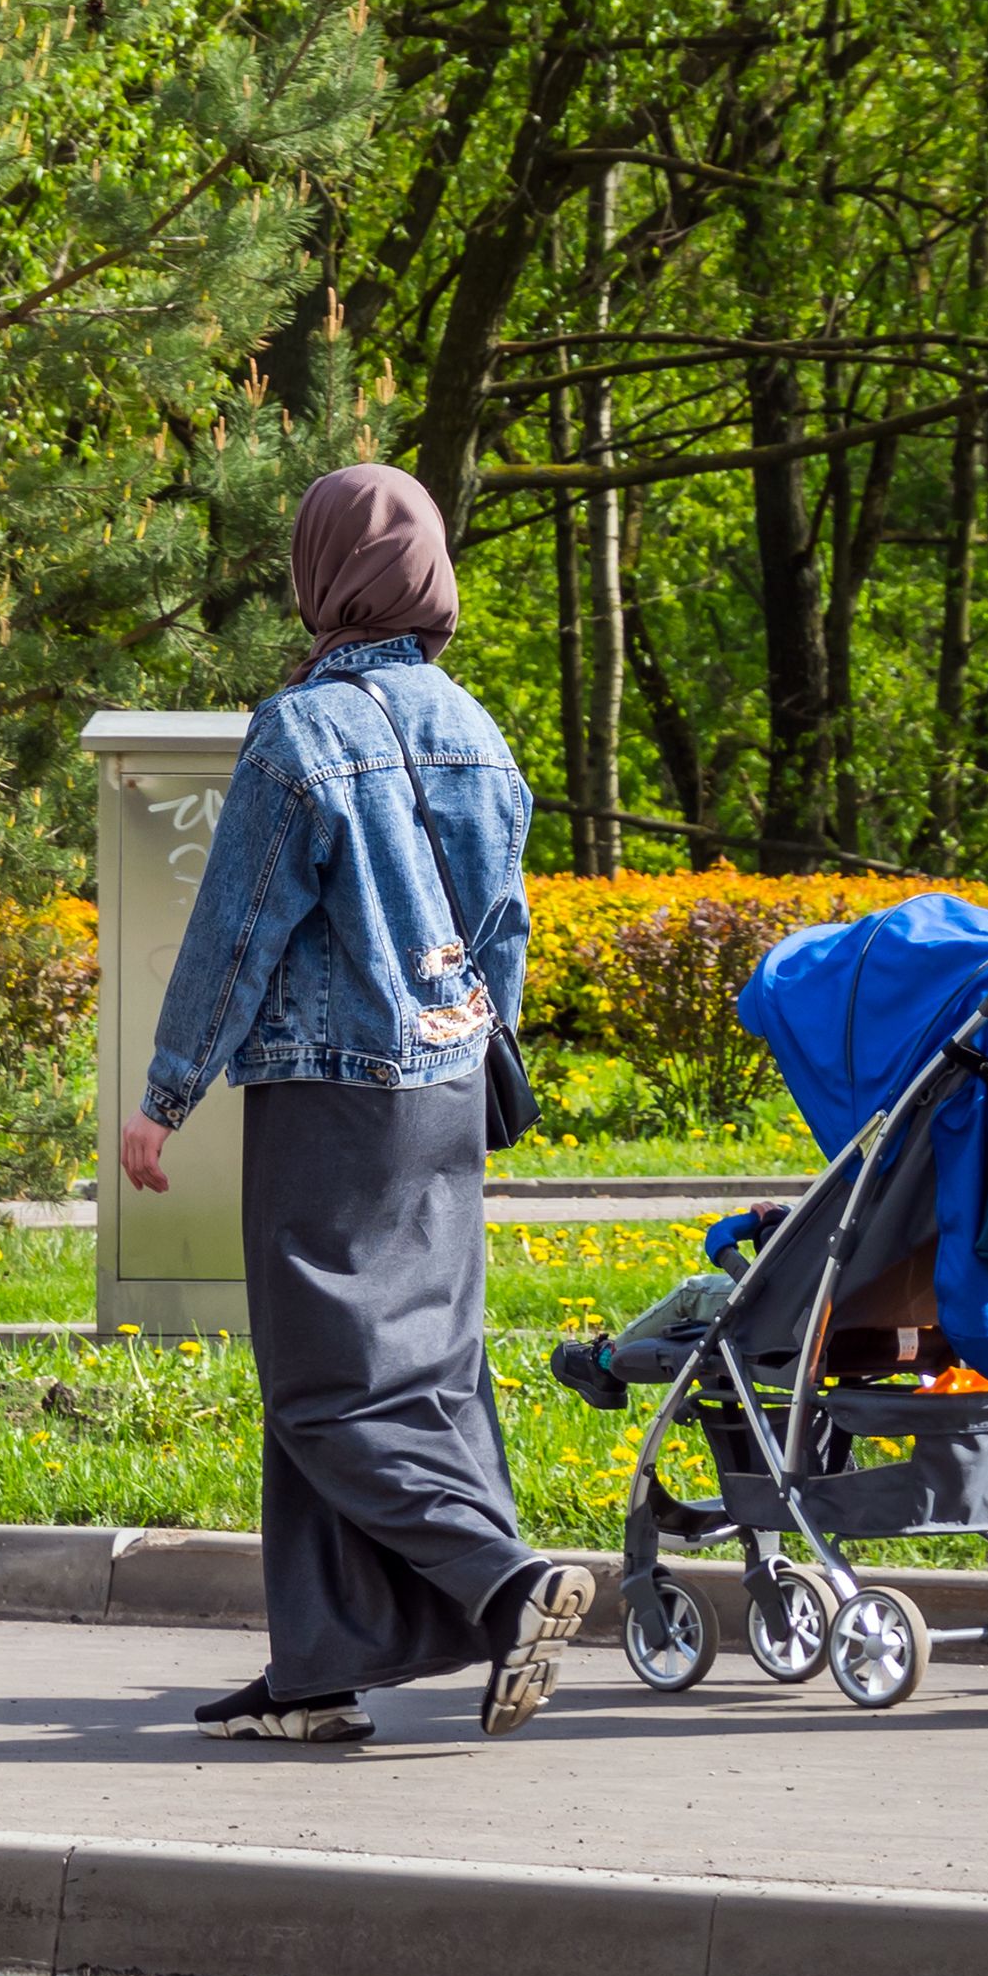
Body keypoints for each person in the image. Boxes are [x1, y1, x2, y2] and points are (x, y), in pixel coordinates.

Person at [119, 461, 593, 1744]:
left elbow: (234, 932)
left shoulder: (300, 731)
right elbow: (503, 933)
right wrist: (478, 1051)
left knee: (328, 1386)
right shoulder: (479, 731)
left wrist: (166, 1093)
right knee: (422, 1372)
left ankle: (507, 1585)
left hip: (329, 1104)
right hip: (443, 1088)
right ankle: (317, 1671)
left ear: (320, 573)